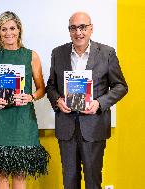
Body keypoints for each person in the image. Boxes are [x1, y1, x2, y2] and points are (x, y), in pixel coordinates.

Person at [46, 12, 128, 189]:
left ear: (91, 29)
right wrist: (57, 100)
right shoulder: (58, 53)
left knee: (93, 181)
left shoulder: (107, 53)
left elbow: (121, 86)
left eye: (83, 27)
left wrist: (99, 103)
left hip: (94, 127)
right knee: (69, 182)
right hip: (66, 128)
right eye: (73, 28)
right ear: (69, 30)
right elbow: (50, 86)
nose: (78, 32)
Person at [0, 11, 50, 189]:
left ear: (19, 30)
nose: (9, 33)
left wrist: (30, 96)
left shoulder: (31, 56)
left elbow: (41, 89)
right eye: (4, 29)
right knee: (0, 175)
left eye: (12, 28)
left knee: (20, 174)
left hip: (23, 121)